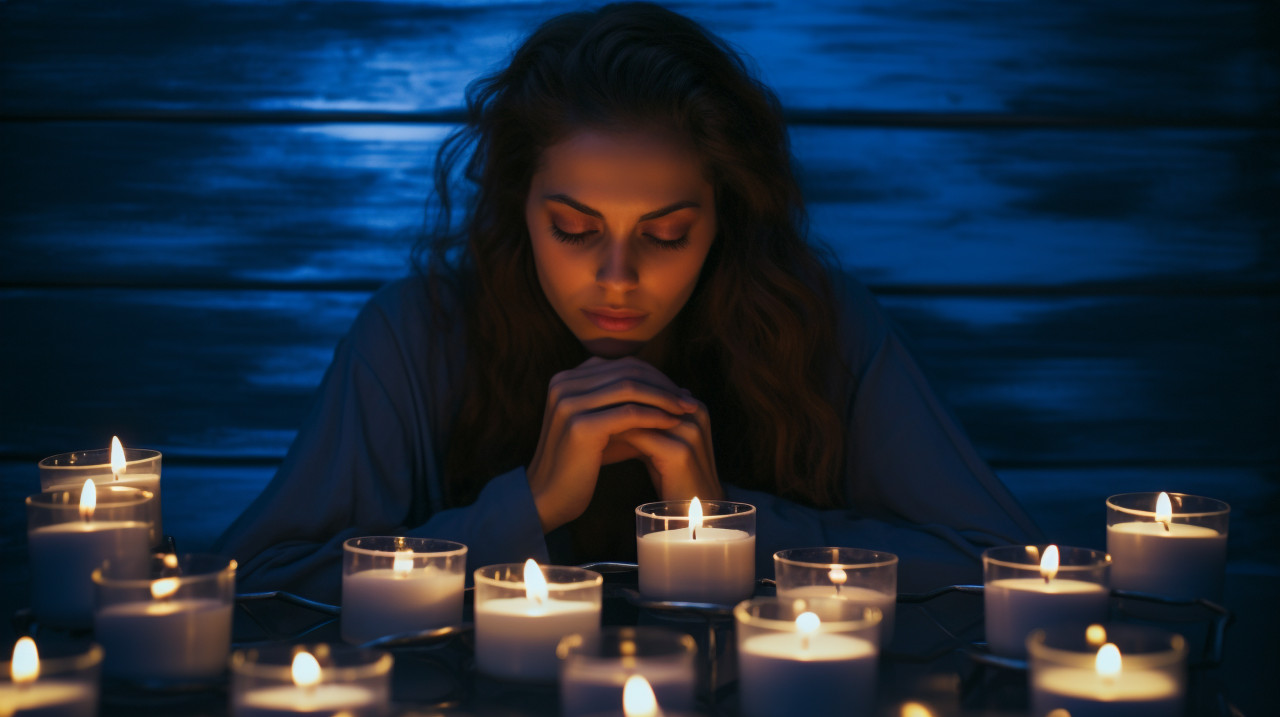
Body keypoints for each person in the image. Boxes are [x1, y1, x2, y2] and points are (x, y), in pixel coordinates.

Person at [215, 2, 1042, 603]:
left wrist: (718, 520)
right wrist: (526, 506)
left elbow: (1000, 564)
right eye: (574, 229)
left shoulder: (819, 325)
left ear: (724, 219)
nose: (618, 276)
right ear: (520, 209)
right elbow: (253, 586)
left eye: (668, 233)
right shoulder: (414, 337)